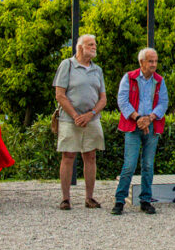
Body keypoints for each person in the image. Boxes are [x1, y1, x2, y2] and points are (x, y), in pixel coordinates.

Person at [54, 33, 107, 210]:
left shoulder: (97, 69)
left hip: (91, 119)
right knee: (68, 156)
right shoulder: (67, 65)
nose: (94, 47)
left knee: (90, 156)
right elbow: (60, 95)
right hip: (69, 120)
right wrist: (76, 115)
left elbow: (103, 99)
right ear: (80, 47)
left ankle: (89, 197)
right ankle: (65, 198)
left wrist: (90, 114)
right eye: (90, 44)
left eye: (95, 44)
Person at [112, 48, 168, 215]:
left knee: (148, 165)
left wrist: (149, 118)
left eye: (156, 61)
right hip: (133, 125)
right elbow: (122, 101)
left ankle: (145, 200)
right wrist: (137, 118)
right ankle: (120, 200)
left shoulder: (159, 80)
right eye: (151, 61)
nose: (154, 65)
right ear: (141, 62)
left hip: (151, 125)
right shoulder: (129, 78)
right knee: (129, 165)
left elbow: (163, 103)